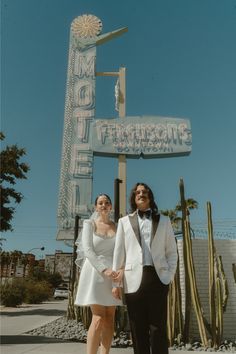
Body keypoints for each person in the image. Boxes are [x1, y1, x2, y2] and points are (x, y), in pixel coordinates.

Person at [112, 182, 178, 354]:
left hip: (158, 277)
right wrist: (116, 284)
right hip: (133, 279)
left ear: (150, 197)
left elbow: (171, 251)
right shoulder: (124, 222)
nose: (141, 194)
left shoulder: (164, 220)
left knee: (158, 328)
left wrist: (169, 275)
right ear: (134, 198)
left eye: (145, 191)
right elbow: (119, 254)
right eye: (138, 192)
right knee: (137, 328)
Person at [75, 194, 123, 354]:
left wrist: (117, 274)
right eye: (100, 203)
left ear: (111, 207)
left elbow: (122, 251)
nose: (103, 205)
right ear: (96, 207)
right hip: (95, 273)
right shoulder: (89, 224)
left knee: (110, 319)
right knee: (98, 318)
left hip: (114, 276)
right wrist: (104, 269)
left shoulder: (118, 226)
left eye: (106, 202)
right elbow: (88, 250)